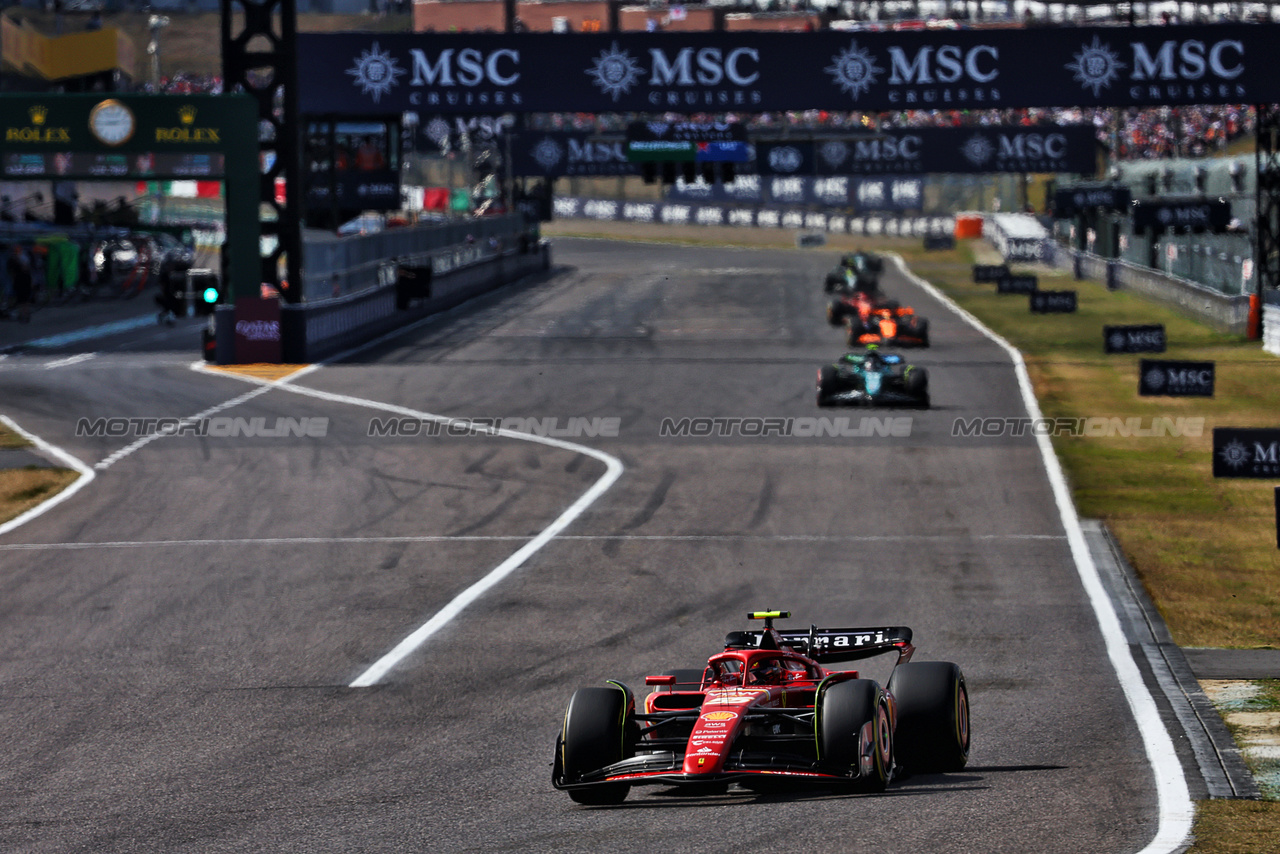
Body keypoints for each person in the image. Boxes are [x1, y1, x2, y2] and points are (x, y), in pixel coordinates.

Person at [7, 243, 34, 324]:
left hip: (21, 281)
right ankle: (24, 315)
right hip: (22, 281)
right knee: (23, 301)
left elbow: (11, 272)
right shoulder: (22, 259)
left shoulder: (15, 260)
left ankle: (23, 315)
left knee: (22, 301)